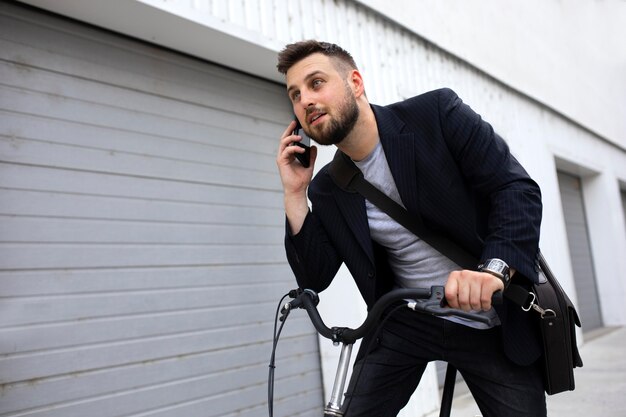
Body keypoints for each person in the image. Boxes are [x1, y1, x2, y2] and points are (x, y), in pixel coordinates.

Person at [275, 40, 545, 417]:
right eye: (295, 94)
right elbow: (314, 276)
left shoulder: (436, 114)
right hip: (406, 320)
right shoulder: (328, 186)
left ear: (355, 82)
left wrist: (495, 271)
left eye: (316, 83)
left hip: (489, 315)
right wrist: (294, 193)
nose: (305, 100)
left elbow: (515, 189)